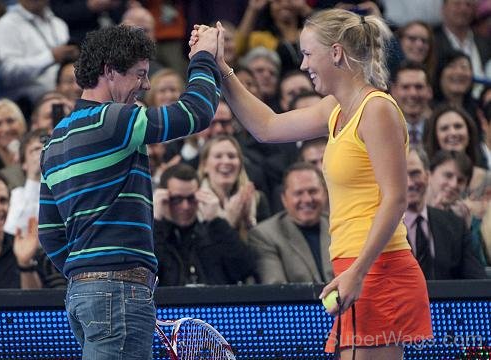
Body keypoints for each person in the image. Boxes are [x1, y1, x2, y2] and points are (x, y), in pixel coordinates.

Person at [191, 9, 432, 358]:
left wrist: (359, 272)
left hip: (380, 266)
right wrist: (221, 67)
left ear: (335, 53)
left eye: (307, 54)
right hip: (355, 265)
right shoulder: (335, 108)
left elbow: (395, 199)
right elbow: (267, 127)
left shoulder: (376, 108)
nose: (303, 65)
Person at [38, 24, 220, 360]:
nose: (146, 85)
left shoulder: (55, 140)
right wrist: (204, 57)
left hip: (81, 294)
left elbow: (49, 234)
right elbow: (197, 113)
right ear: (109, 72)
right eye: (139, 74)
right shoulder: (114, 122)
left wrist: (89, 274)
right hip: (117, 290)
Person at [153, 163, 254, 286]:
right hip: (166, 304)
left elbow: (243, 269)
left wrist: (217, 221)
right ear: (164, 198)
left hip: (212, 303)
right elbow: (147, 275)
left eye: (191, 198)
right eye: (176, 199)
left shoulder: (212, 232)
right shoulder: (156, 235)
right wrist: (156, 222)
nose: (185, 206)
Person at [404, 147, 486, 279]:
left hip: (446, 299)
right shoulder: (378, 227)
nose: (409, 183)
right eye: (400, 174)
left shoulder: (455, 225)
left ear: (427, 176)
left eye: (415, 173)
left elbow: (477, 281)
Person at [248, 162, 333, 285]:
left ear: (325, 194)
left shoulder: (340, 227)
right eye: (298, 193)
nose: (307, 199)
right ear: (284, 199)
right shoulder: (264, 236)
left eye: (313, 191)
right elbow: (277, 289)